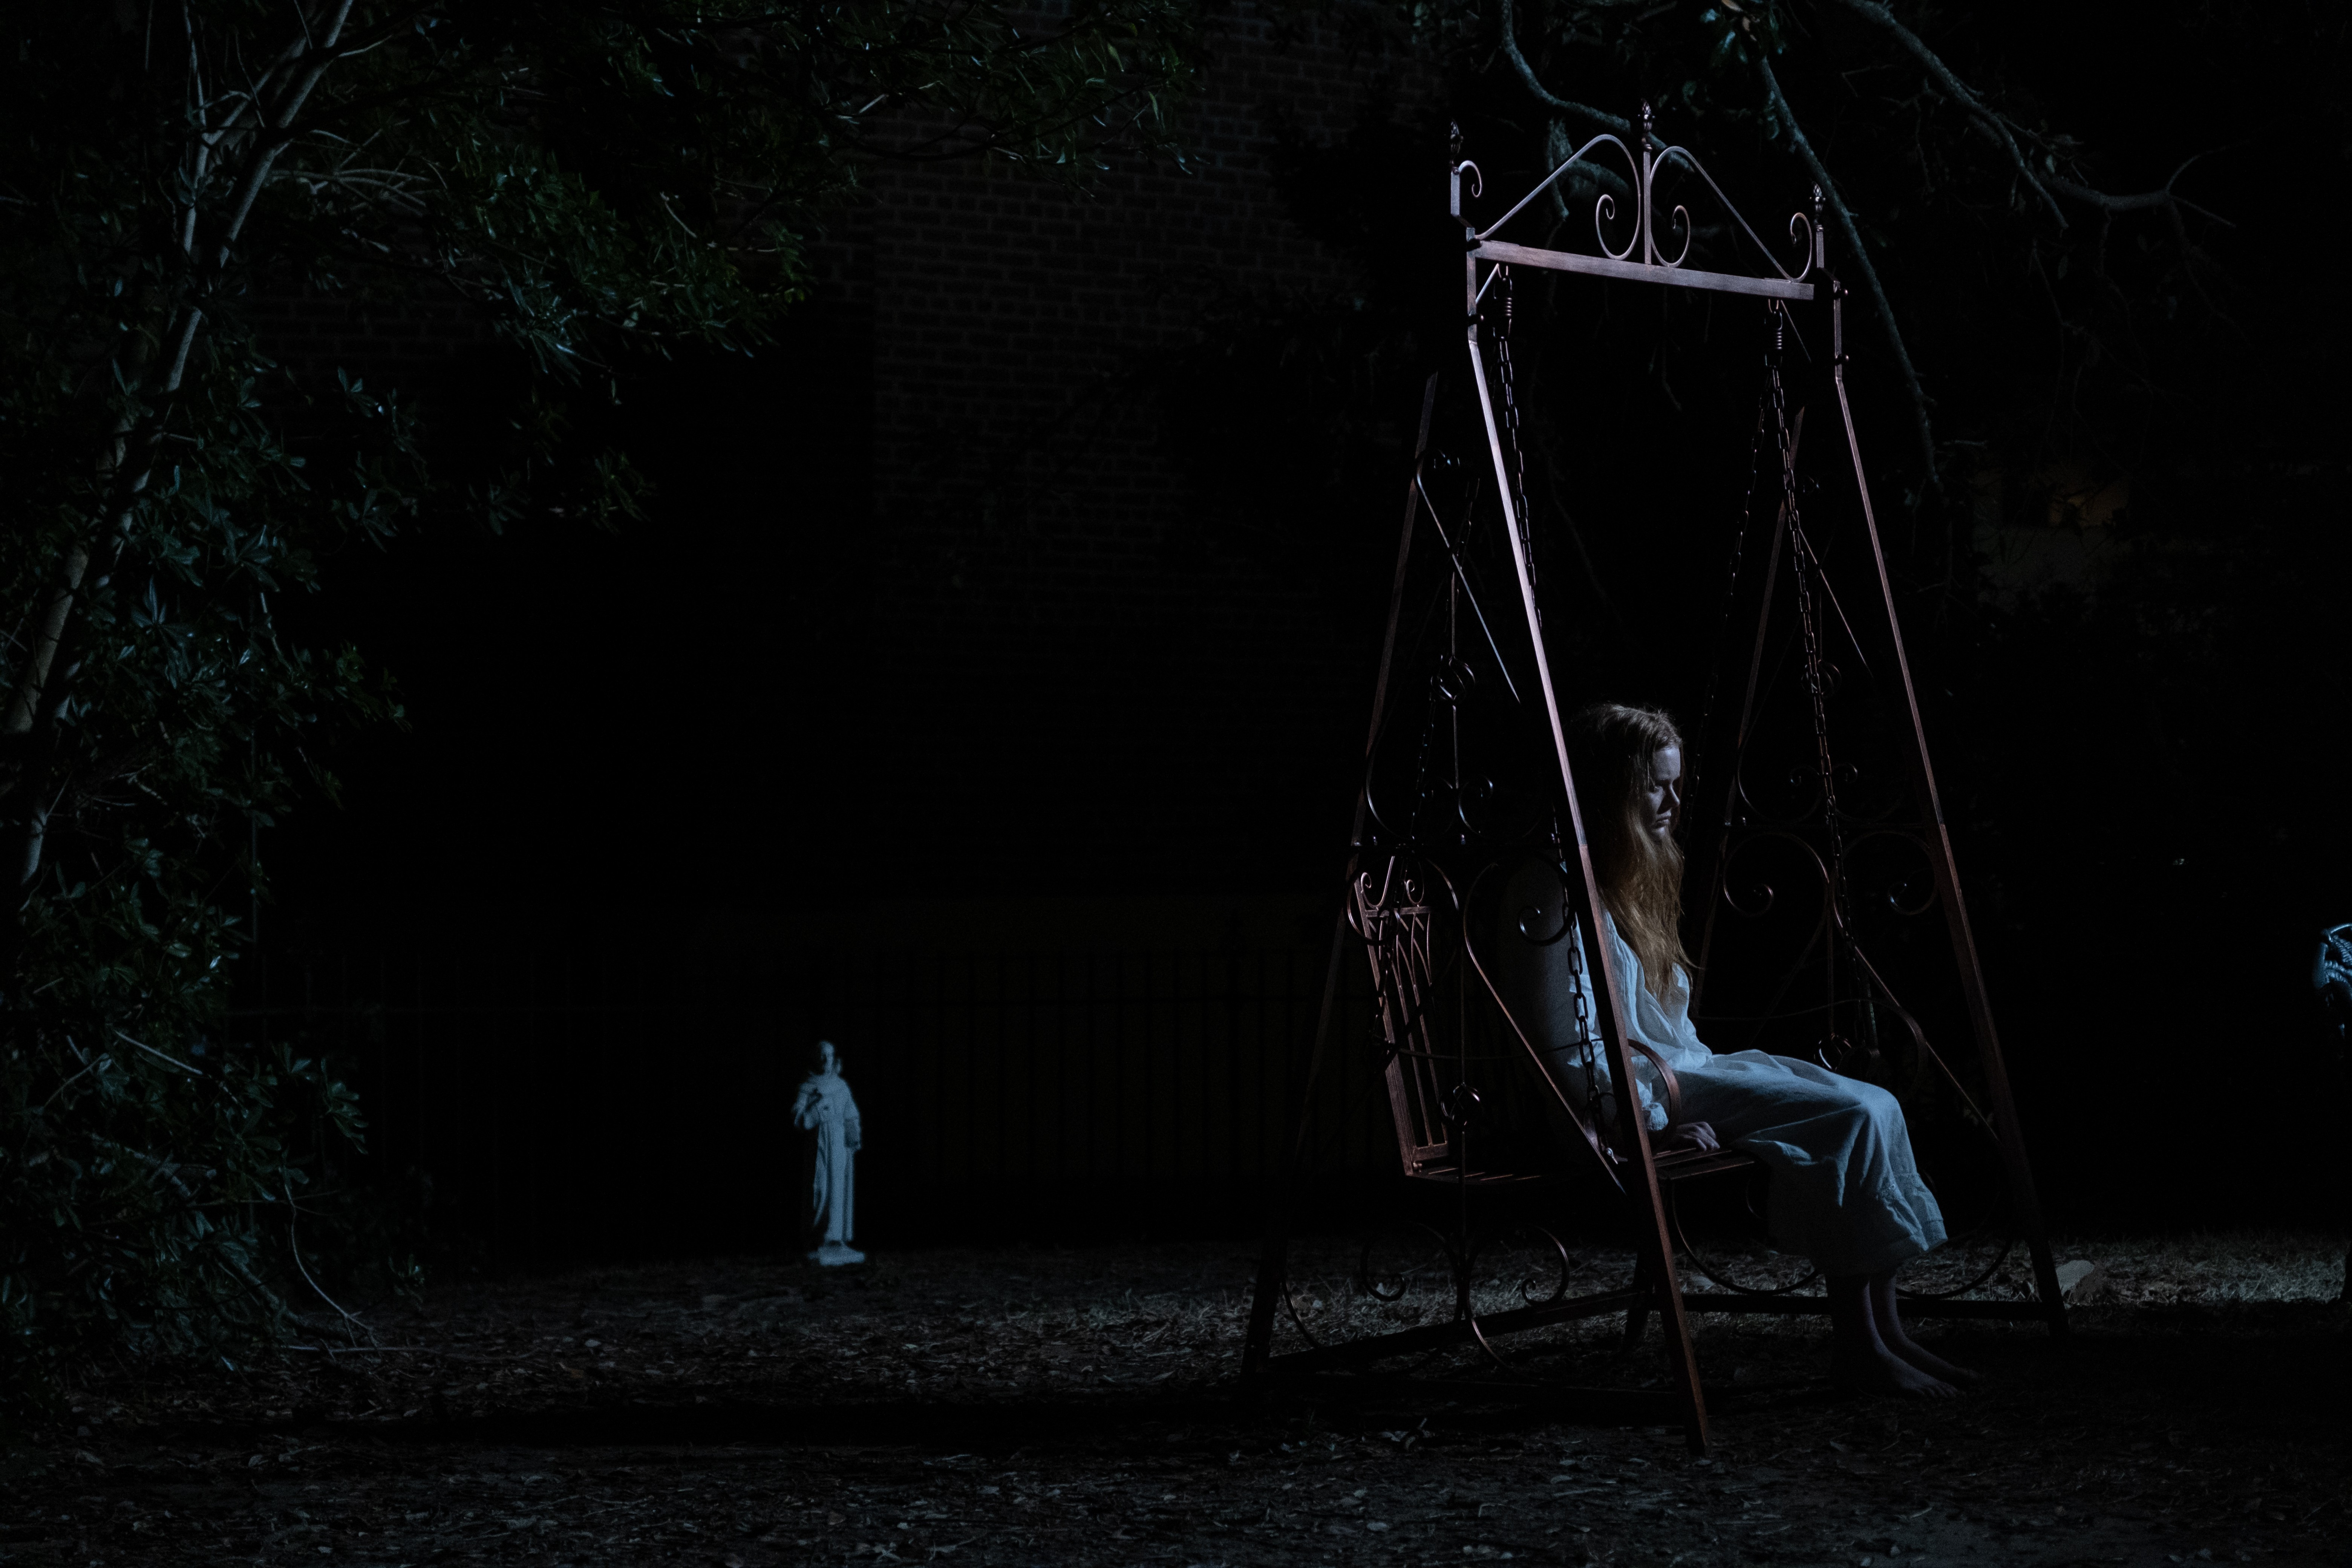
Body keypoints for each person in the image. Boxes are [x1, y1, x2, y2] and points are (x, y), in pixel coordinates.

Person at [1497, 703, 1973, 1398]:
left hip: (1680, 1069)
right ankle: (1860, 1348)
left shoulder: (1621, 876)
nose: (1673, 802)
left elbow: (1665, 1021)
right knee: (1847, 1119)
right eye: (1655, 787)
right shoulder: (1552, 891)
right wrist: (1645, 1124)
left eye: (1677, 784)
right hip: (1640, 1093)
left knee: (1878, 1103)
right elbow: (1566, 1046)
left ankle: (1889, 1331)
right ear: (1612, 791)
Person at [793, 1040, 865, 1265]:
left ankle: (835, 1239)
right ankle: (816, 1239)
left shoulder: (840, 1086)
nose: (826, 1060)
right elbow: (798, 1116)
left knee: (838, 1189)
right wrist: (815, 1111)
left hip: (839, 1143)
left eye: (830, 1055)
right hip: (819, 1144)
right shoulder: (808, 1087)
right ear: (815, 1058)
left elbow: (850, 1112)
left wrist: (853, 1134)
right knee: (820, 1188)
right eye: (822, 1055)